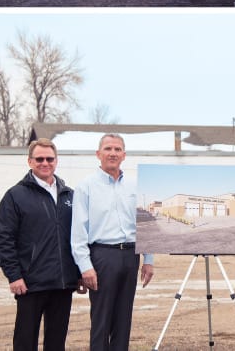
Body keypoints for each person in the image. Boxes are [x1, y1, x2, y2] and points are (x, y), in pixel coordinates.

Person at [0, 138, 85, 351]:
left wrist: (79, 272)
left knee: (56, 343)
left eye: (50, 159)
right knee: (25, 342)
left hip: (63, 283)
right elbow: (3, 238)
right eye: (39, 159)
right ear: (30, 161)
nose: (45, 163)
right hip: (30, 283)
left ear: (56, 161)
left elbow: (79, 236)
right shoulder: (15, 196)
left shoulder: (69, 195)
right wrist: (14, 275)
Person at [71, 133, 155, 351]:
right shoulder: (86, 187)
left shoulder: (135, 187)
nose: (113, 153)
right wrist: (85, 267)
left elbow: (144, 224)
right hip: (102, 257)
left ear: (124, 155)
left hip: (130, 256)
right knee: (101, 319)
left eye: (117, 149)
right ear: (98, 154)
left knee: (123, 319)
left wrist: (148, 258)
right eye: (108, 149)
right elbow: (78, 231)